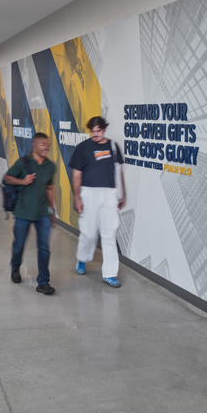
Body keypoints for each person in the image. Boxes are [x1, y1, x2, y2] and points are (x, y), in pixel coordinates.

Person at [71, 116, 126, 287]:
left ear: (103, 130)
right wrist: (76, 196)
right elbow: (76, 174)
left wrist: (122, 194)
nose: (95, 134)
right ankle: (82, 258)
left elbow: (119, 172)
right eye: (92, 131)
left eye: (98, 131)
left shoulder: (113, 147)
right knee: (89, 233)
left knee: (109, 234)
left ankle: (110, 274)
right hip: (89, 193)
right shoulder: (82, 148)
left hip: (109, 194)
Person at [4, 133, 57, 295]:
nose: (46, 147)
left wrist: (52, 210)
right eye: (43, 145)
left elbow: (49, 189)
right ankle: (15, 266)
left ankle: (43, 282)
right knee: (19, 244)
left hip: (42, 213)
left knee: (44, 248)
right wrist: (23, 181)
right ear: (34, 145)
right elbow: (7, 178)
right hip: (23, 211)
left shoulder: (50, 166)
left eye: (48, 145)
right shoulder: (22, 163)